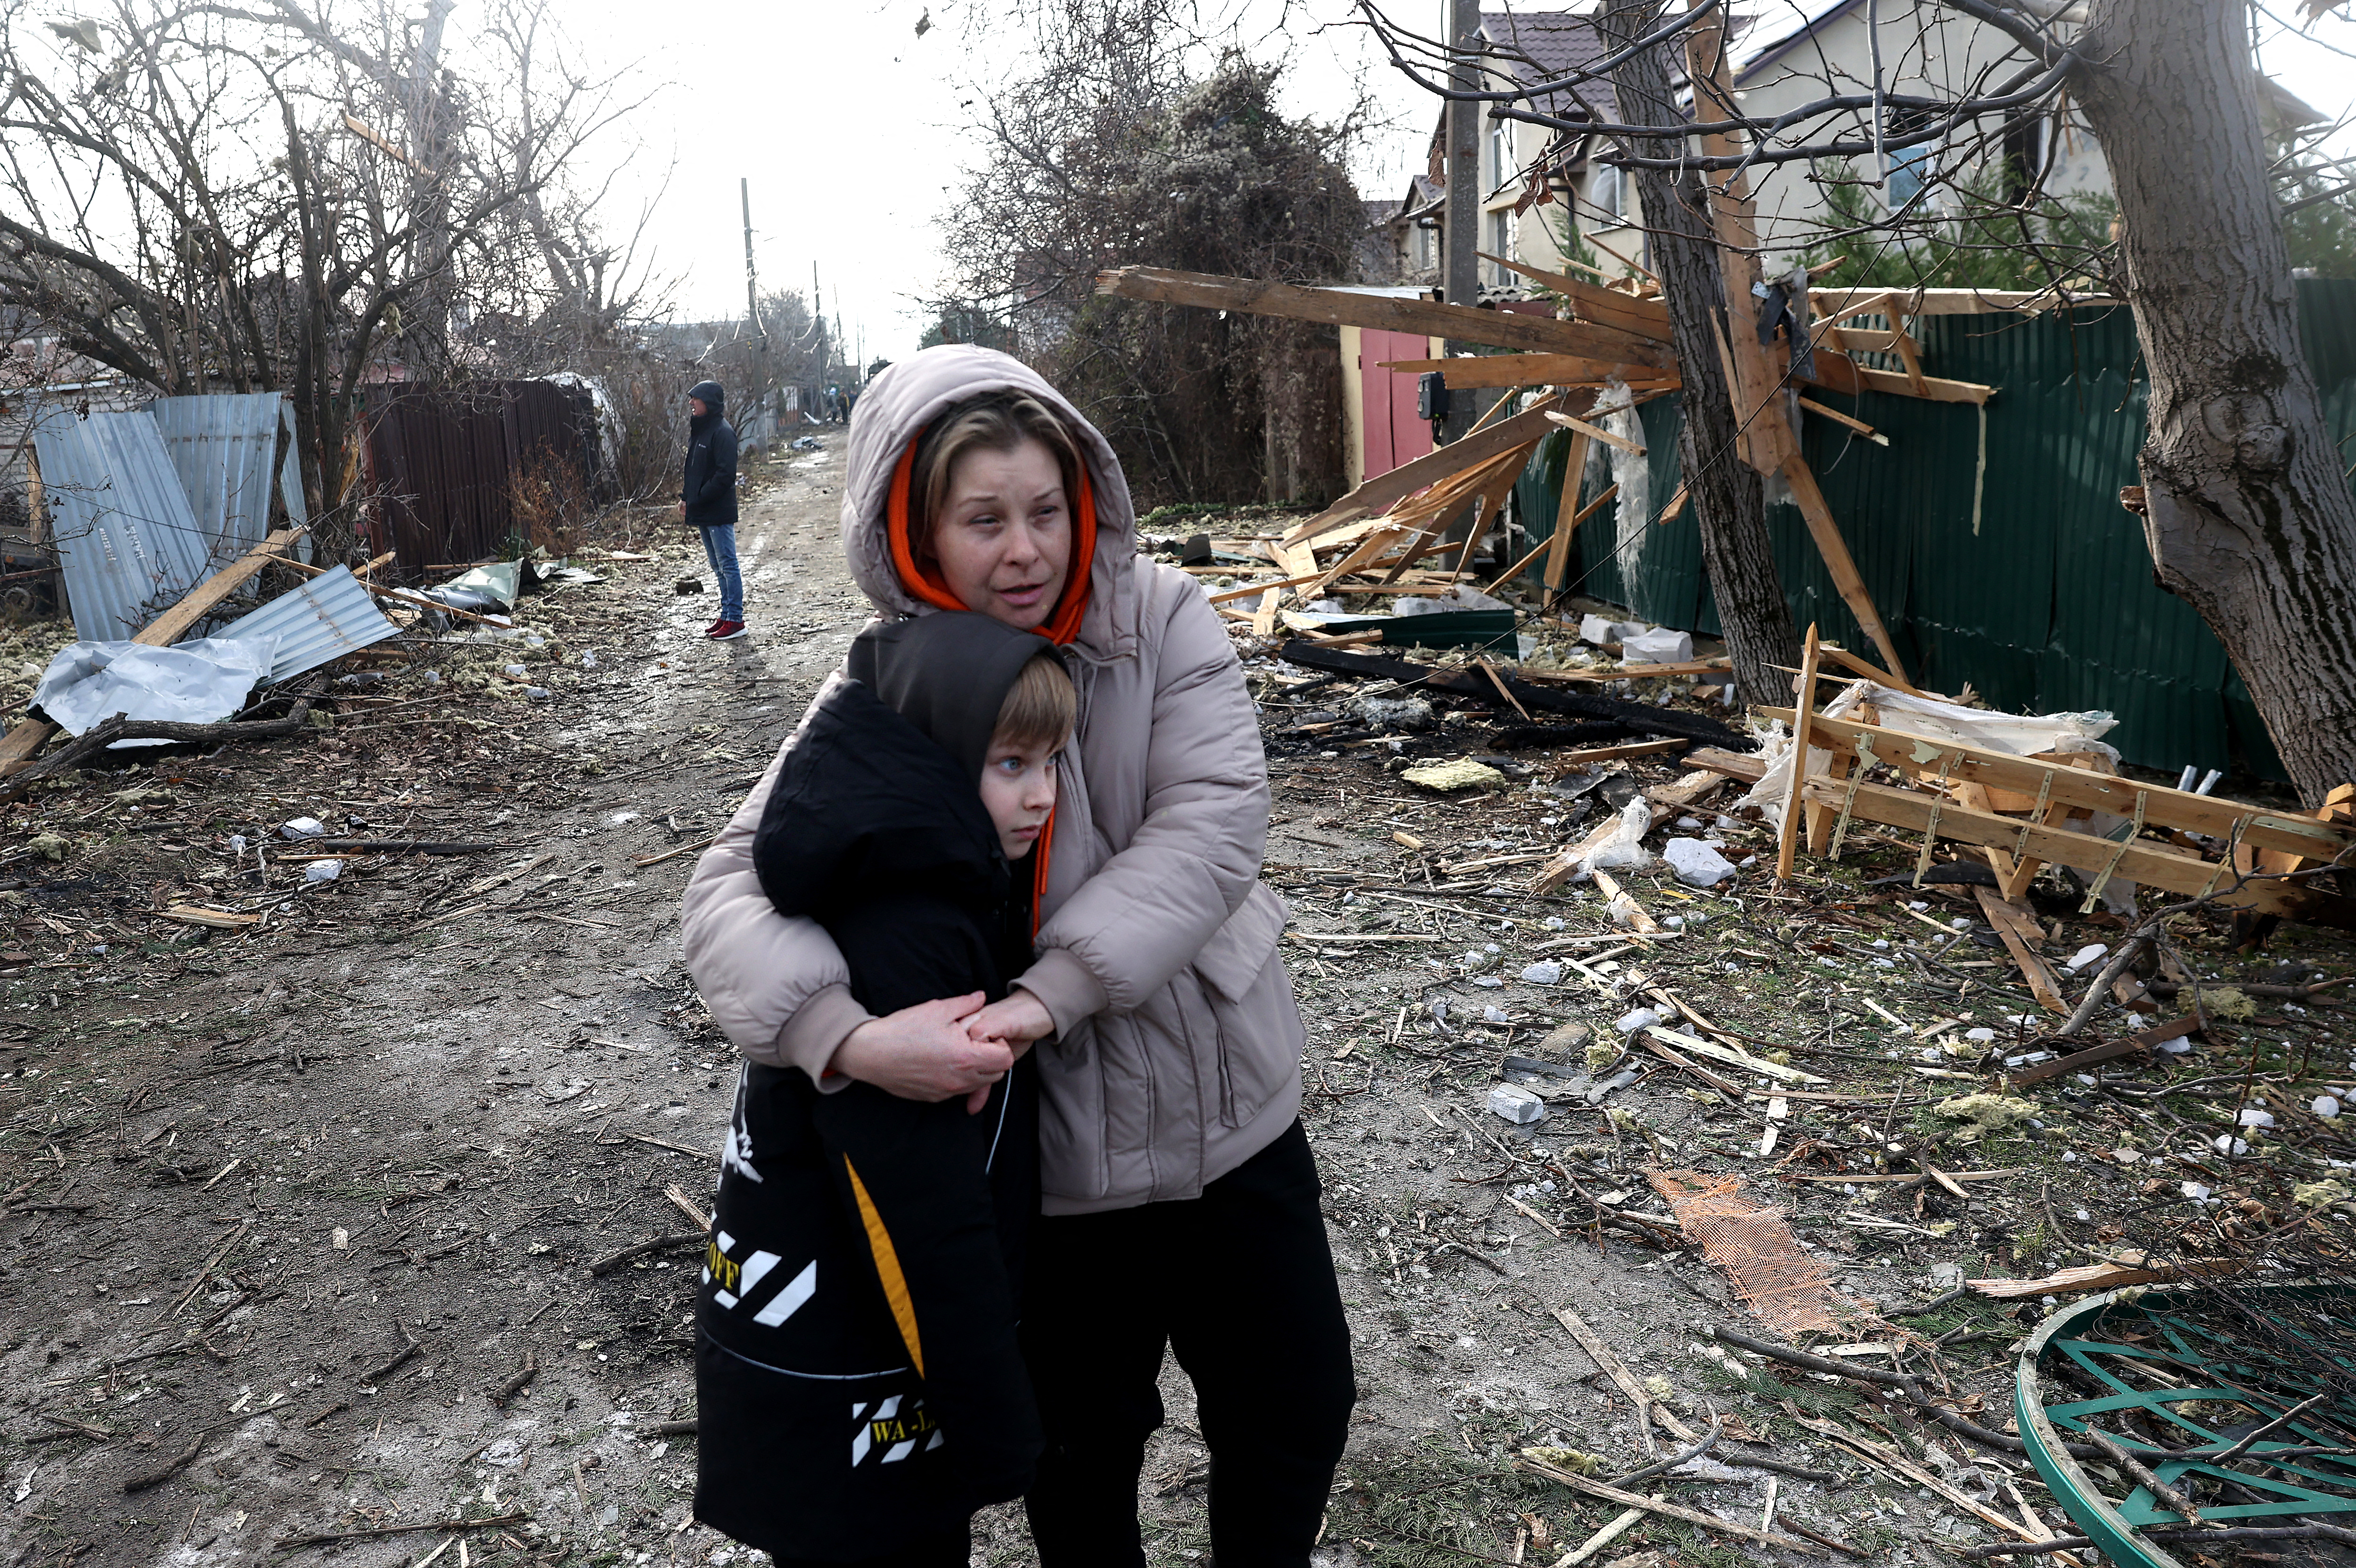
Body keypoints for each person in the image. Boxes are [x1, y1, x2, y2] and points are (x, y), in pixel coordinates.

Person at [683, 346, 1355, 1567]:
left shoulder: (1163, 620)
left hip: (1228, 1117)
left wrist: (1045, 998)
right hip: (1052, 1175)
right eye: (983, 519)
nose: (1025, 548)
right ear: (917, 527)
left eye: (1044, 510)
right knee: (1082, 1455)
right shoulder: (882, 682)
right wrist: (848, 1038)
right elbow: (726, 890)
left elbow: (1212, 827)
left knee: (1297, 1406)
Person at [694, 612, 1070, 1566]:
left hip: (810, 1372)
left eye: (1052, 762)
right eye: (1011, 764)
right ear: (939, 758)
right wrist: (996, 1430)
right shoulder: (910, 938)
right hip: (853, 1389)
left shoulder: (875, 872)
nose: (1042, 797)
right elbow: (919, 1217)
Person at [681, 378, 746, 641]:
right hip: (703, 510)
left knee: (728, 565)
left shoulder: (722, 432)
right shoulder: (701, 431)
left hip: (717, 511)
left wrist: (699, 498)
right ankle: (726, 614)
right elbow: (694, 470)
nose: (691, 404)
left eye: (695, 399)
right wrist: (686, 497)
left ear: (707, 403)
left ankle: (735, 620)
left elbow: (724, 475)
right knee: (717, 566)